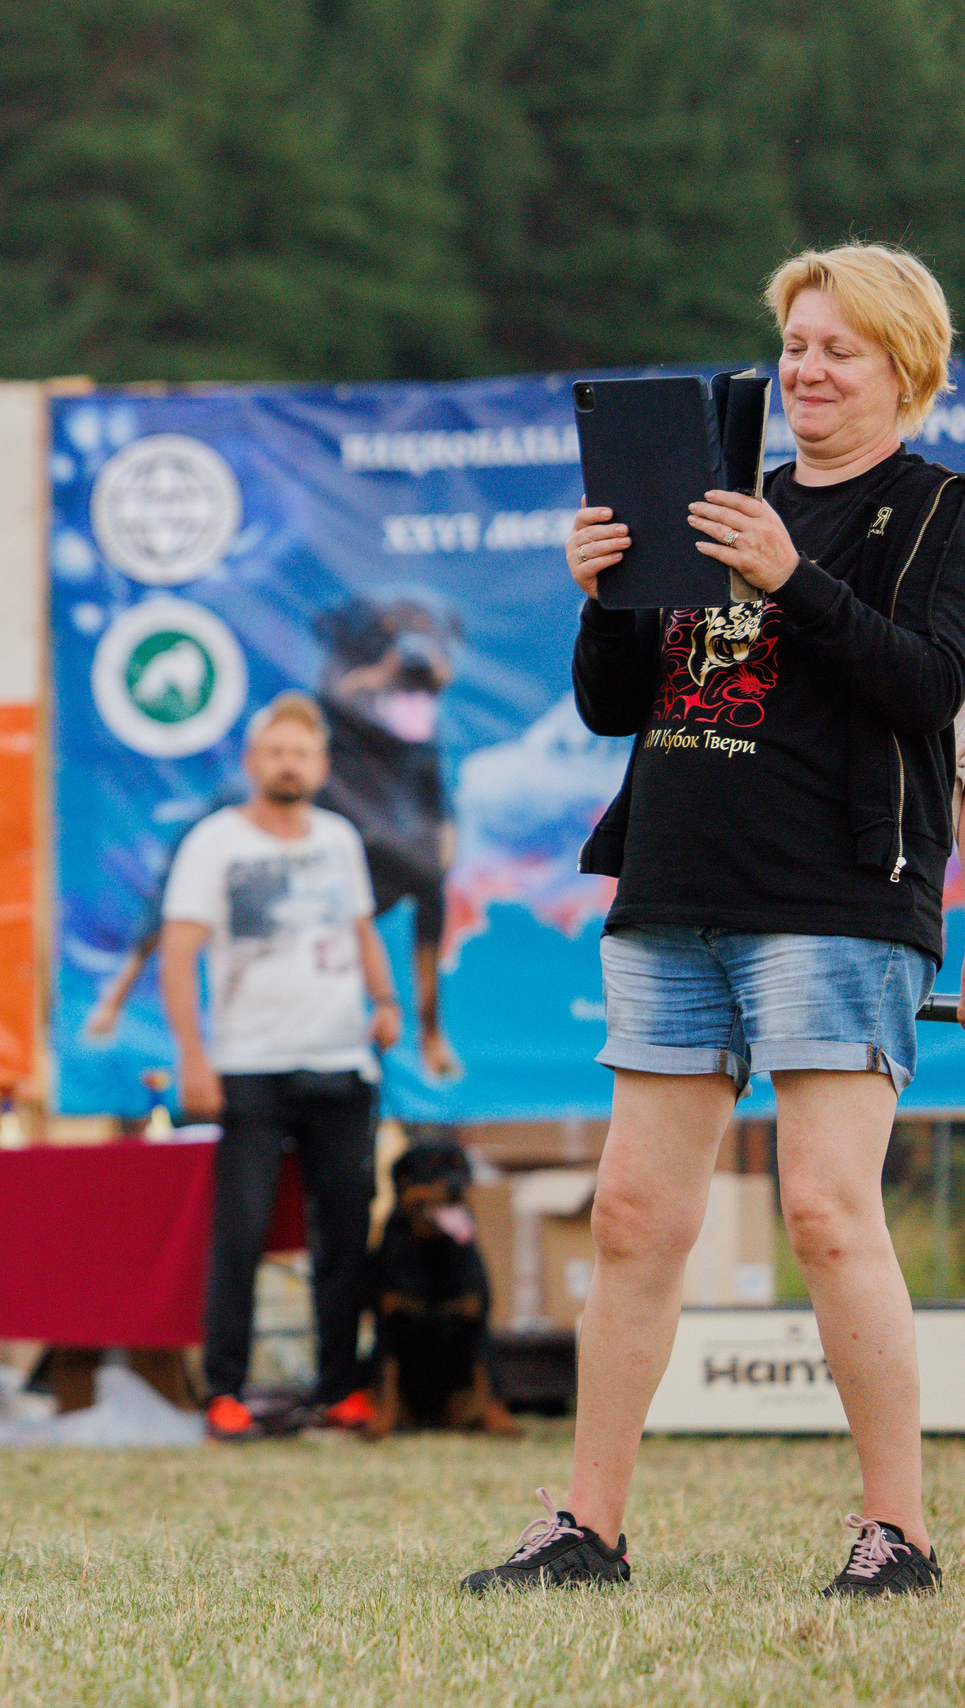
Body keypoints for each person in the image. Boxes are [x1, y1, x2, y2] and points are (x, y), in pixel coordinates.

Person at [466, 243, 962, 1597]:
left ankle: (899, 1534)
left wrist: (794, 577)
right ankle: (589, 1528)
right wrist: (602, 598)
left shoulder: (938, 510)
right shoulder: (722, 496)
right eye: (795, 345)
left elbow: (927, 687)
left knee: (827, 1212)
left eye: (838, 348)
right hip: (673, 885)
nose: (807, 369)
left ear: (906, 367)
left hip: (837, 892)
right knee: (632, 1214)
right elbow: (615, 705)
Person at [158, 692, 404, 1442]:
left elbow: (362, 930)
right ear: (251, 762)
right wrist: (194, 1056)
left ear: (321, 766)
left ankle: (339, 1391)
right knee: (240, 1236)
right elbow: (178, 955)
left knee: (345, 1234)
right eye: (276, 752)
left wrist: (386, 1000)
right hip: (248, 1068)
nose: (289, 764)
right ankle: (224, 1393)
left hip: (340, 1065)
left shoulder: (339, 839)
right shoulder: (213, 843)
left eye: (301, 752)